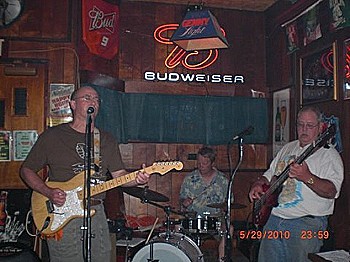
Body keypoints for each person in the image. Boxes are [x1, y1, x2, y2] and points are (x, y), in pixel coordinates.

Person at [20, 85, 150, 262]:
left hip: (96, 212)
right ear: (73, 104)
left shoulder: (106, 139)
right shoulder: (53, 136)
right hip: (61, 212)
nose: (93, 102)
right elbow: (26, 170)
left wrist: (138, 179)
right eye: (87, 98)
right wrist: (48, 192)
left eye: (96, 99)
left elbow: (119, 176)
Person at [249, 106, 344, 262]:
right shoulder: (288, 148)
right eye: (300, 124)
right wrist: (259, 184)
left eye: (310, 125)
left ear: (321, 127)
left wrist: (307, 177)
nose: (304, 129)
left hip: (305, 224)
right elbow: (269, 175)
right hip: (273, 219)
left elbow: (331, 191)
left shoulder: (329, 155)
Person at [180, 146, 231, 261]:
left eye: (205, 162)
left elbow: (229, 203)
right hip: (193, 220)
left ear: (212, 163)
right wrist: (184, 202)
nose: (201, 165)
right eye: (199, 162)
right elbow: (181, 201)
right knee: (178, 227)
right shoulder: (190, 178)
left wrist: (224, 209)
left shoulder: (223, 180)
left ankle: (222, 260)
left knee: (229, 229)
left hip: (216, 221)